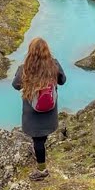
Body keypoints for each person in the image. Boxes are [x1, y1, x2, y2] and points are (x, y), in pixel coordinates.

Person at [12, 37, 66, 181]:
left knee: (38, 141)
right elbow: (62, 81)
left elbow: (16, 85)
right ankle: (41, 158)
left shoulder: (24, 69)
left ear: (30, 52)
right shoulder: (54, 65)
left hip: (32, 114)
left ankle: (42, 170)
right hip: (50, 112)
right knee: (42, 138)